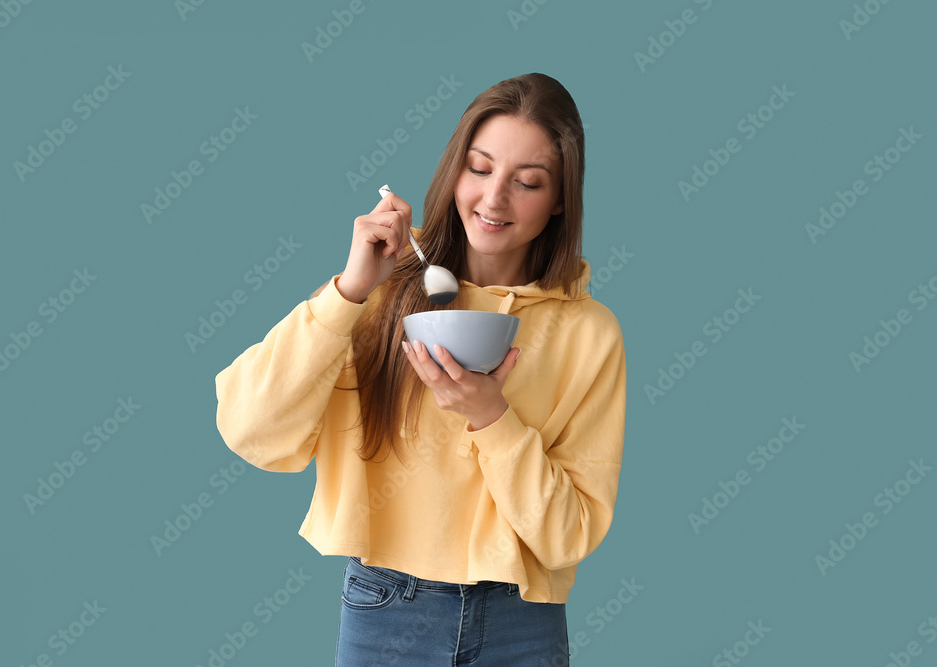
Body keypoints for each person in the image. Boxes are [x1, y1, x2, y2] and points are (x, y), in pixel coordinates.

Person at [214, 72, 627, 666]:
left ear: (560, 198)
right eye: (479, 169)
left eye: (527, 182)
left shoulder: (590, 332)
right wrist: (348, 291)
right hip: (387, 608)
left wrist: (493, 418)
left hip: (523, 623)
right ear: (454, 170)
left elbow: (569, 535)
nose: (493, 199)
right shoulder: (378, 290)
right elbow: (251, 430)